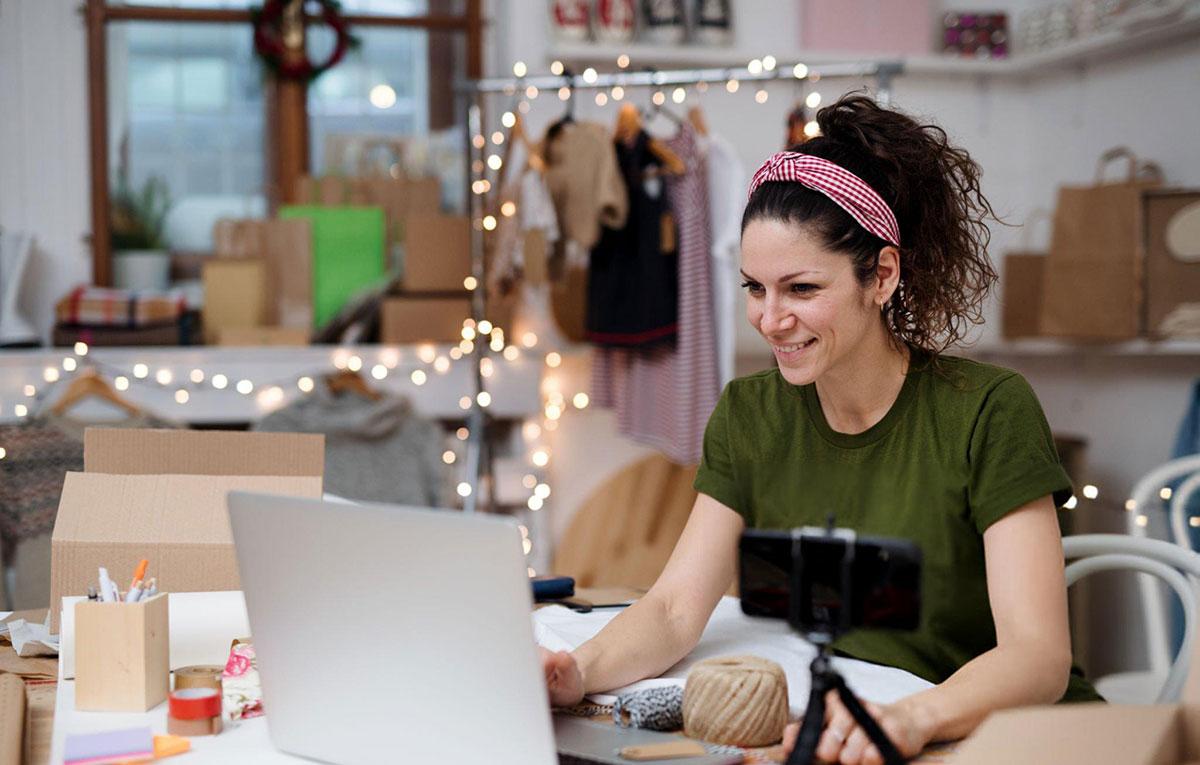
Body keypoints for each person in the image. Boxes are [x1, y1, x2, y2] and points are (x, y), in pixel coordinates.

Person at [541, 93, 1100, 765]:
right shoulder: (750, 414)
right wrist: (577, 668)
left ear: (882, 275)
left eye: (801, 289)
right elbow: (671, 611)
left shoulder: (987, 410)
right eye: (754, 287)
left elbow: (1037, 655)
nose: (770, 319)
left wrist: (908, 719)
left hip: (989, 736)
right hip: (845, 727)